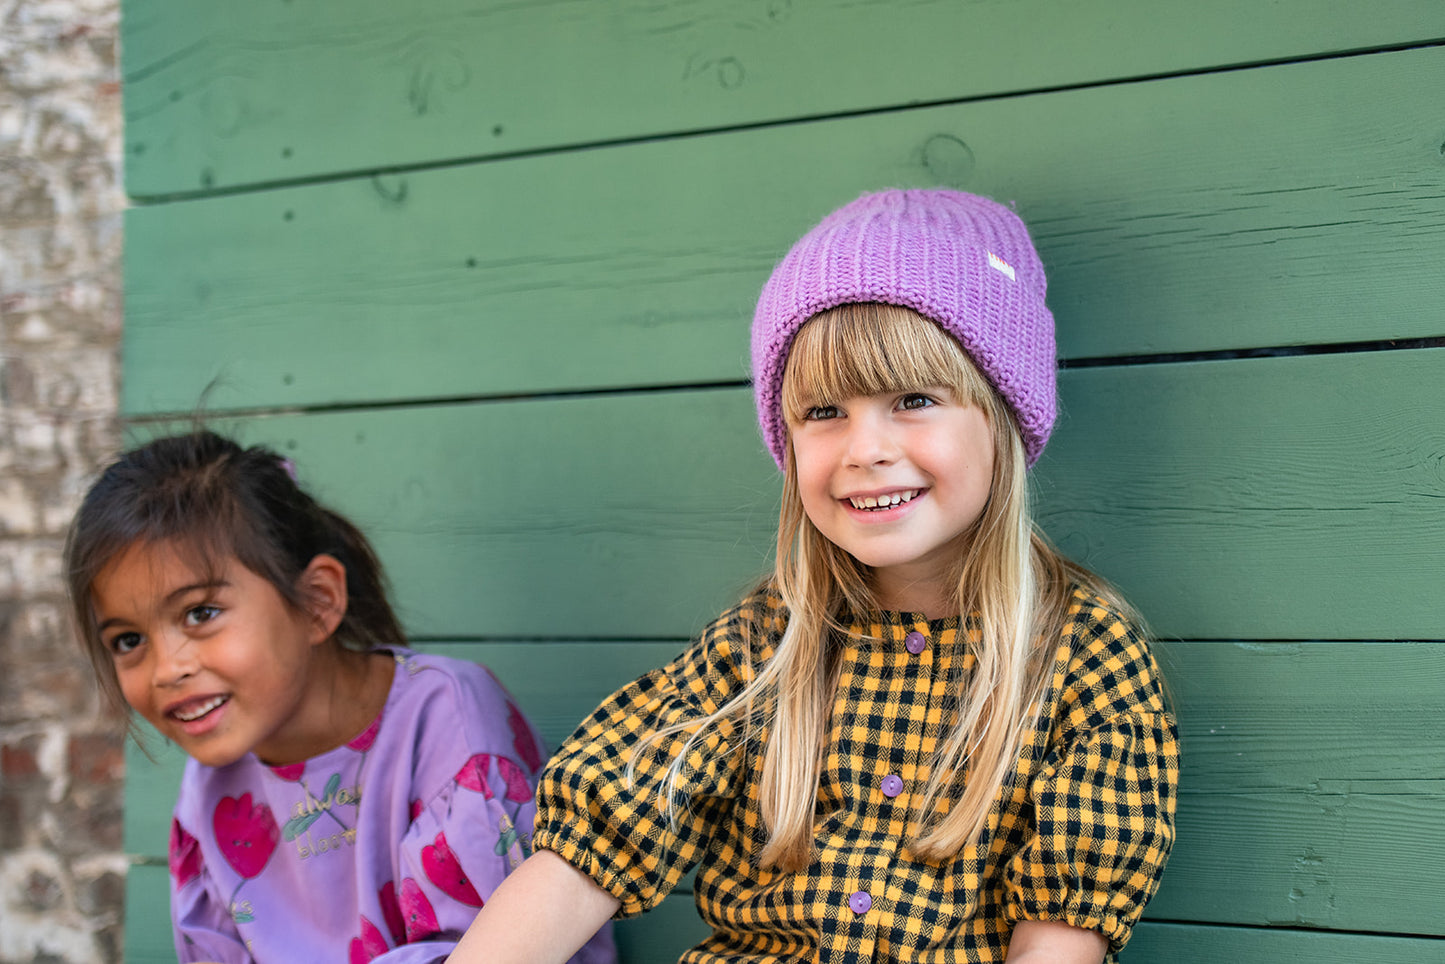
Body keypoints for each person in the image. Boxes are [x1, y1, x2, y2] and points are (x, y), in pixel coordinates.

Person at [448, 189, 1179, 964]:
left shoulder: (1081, 654)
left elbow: (1059, 945)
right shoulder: (767, 641)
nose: (864, 448)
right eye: (824, 411)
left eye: (914, 399)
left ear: (1002, 414)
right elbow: (588, 851)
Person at [65, 431, 615, 964]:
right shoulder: (210, 790)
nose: (167, 669)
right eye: (129, 641)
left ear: (316, 602)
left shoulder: (449, 725)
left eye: (200, 613)